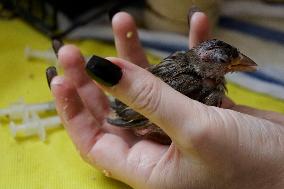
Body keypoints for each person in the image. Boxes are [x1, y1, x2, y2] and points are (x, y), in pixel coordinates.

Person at [49, 11, 284, 189]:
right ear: (207, 64)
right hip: (136, 118)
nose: (237, 63)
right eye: (226, 62)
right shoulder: (202, 89)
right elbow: (143, 113)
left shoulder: (187, 61)